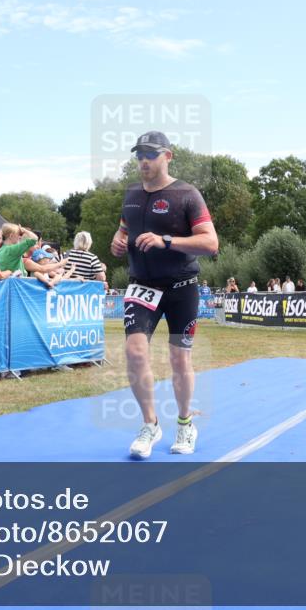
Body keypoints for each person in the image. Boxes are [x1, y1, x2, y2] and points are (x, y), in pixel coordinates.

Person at [110, 131, 218, 458]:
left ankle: (185, 424)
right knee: (135, 351)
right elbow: (124, 229)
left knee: (179, 359)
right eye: (139, 155)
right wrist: (118, 240)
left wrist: (166, 241)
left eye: (151, 154)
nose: (144, 160)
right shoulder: (130, 194)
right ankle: (150, 424)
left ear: (167, 156)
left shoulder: (187, 194)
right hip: (142, 284)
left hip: (182, 286)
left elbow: (211, 243)